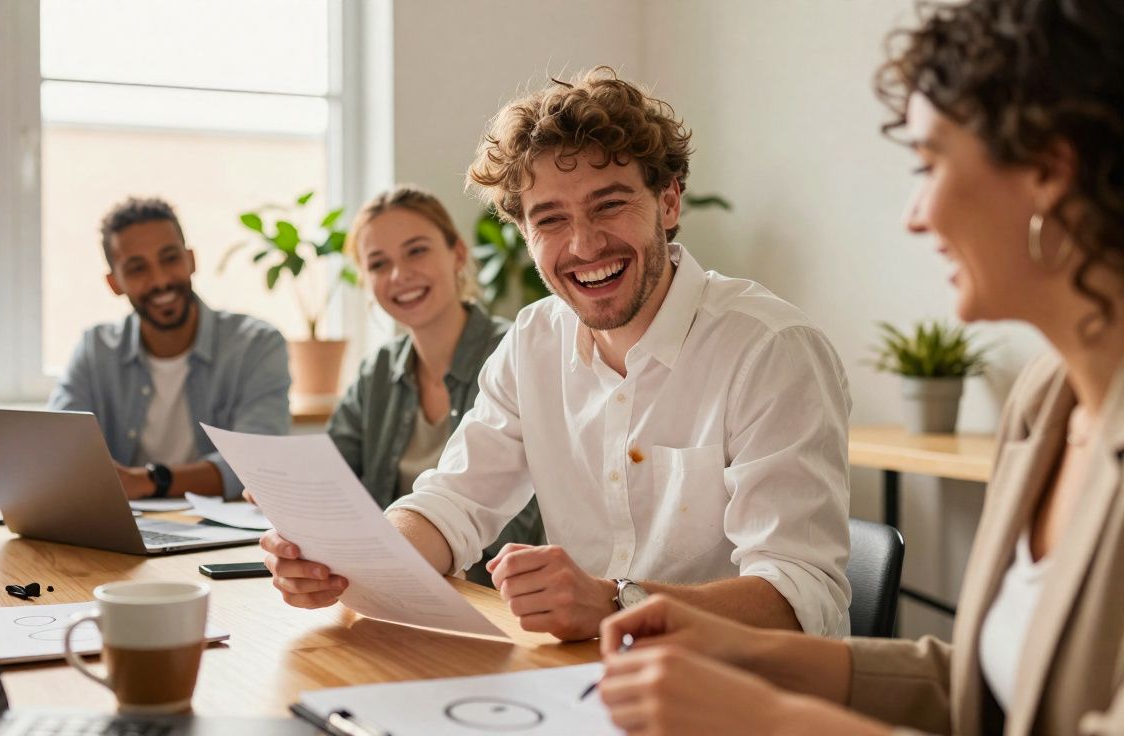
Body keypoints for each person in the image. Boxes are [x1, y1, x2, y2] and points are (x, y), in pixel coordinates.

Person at [595, 0, 1124, 733]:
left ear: (1048, 171)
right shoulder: (1048, 403)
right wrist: (744, 652)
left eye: (928, 163)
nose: (914, 213)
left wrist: (770, 717)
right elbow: (986, 689)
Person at [262, 68, 854, 641]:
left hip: (742, 694)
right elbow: (454, 502)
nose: (584, 244)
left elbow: (802, 597)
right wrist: (351, 560)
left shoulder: (771, 350)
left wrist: (617, 603)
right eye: (550, 219)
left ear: (668, 202)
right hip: (584, 685)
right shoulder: (532, 342)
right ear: (524, 234)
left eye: (609, 205)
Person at [325, 185, 543, 585]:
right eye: (377, 264)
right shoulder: (378, 372)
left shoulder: (516, 353)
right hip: (393, 586)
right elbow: (331, 478)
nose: (399, 275)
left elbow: (517, 521)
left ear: (458, 253)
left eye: (417, 250)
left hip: (488, 595)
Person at [49, 197, 290, 500]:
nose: (160, 280)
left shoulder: (256, 345)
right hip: (126, 530)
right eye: (137, 269)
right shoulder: (95, 350)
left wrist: (147, 481)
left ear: (191, 260)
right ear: (114, 283)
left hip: (225, 533)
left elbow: (258, 463)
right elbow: (59, 454)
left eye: (170, 258)